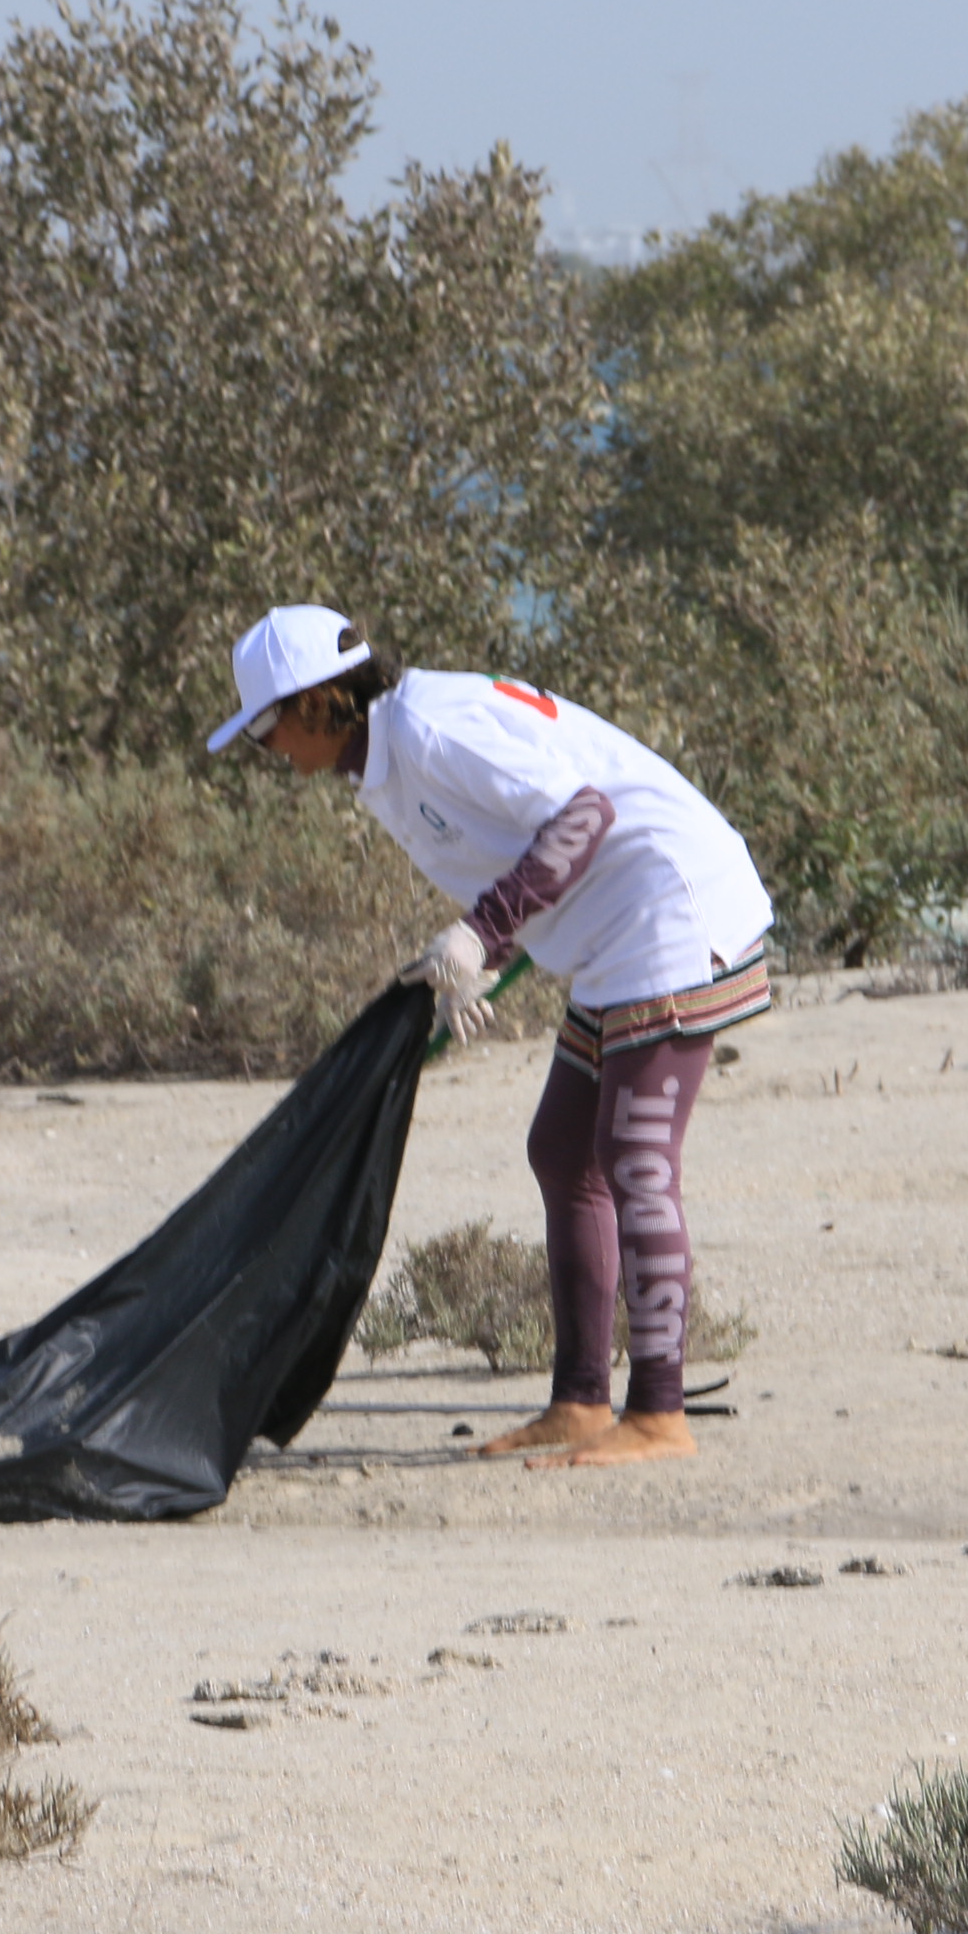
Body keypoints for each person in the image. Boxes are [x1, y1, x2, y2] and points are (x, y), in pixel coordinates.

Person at [207, 604, 772, 1467]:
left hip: (670, 905)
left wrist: (482, 932)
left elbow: (585, 817)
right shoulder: (392, 756)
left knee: (635, 1158)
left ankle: (659, 1414)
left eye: (266, 729)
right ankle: (582, 1400)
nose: (270, 752)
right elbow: (526, 841)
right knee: (562, 1151)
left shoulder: (433, 729)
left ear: (320, 702)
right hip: (610, 930)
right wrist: (483, 957)